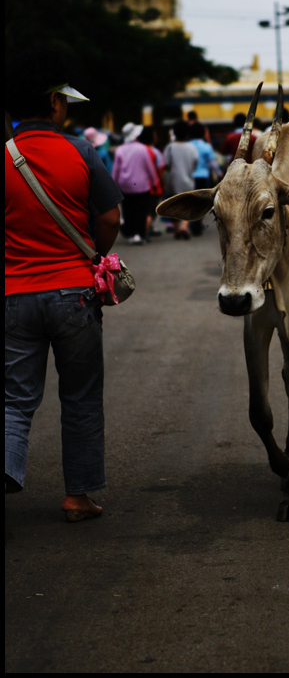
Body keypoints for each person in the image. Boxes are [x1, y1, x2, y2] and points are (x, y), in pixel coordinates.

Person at [5, 46, 123, 521]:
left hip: (13, 294)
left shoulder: (6, 156)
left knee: (14, 398)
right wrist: (91, 250)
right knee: (79, 396)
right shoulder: (81, 150)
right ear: (55, 102)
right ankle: (78, 497)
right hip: (75, 293)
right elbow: (111, 217)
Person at [112, 123, 159, 245]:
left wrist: (113, 184)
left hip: (125, 186)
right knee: (141, 210)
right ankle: (140, 234)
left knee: (128, 210)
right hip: (142, 185)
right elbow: (150, 167)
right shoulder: (142, 148)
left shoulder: (119, 150)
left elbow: (116, 170)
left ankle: (131, 234)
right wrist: (155, 181)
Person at [163, 119, 199, 239]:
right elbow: (195, 163)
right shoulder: (191, 147)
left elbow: (166, 164)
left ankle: (177, 229)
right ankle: (184, 227)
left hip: (173, 181)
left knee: (173, 206)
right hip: (188, 180)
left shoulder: (170, 147)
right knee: (188, 205)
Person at [189, 121, 223, 236]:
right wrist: (219, 173)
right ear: (203, 133)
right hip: (203, 177)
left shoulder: (188, 145)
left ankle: (193, 222)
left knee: (191, 201)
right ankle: (199, 222)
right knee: (201, 202)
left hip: (191, 177)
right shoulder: (206, 146)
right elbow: (212, 163)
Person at [137, 125, 166, 238]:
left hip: (137, 187)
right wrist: (163, 185)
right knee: (150, 212)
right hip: (152, 187)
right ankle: (144, 232)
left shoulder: (137, 150)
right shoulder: (155, 152)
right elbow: (160, 171)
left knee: (142, 211)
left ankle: (143, 230)